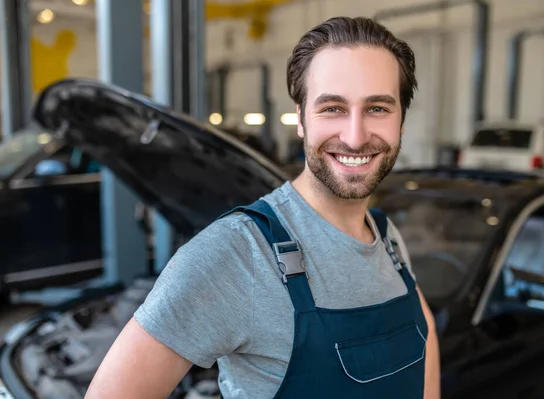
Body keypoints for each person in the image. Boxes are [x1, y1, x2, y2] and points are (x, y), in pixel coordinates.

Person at [85, 16, 440, 399]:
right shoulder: (235, 253)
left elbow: (427, 343)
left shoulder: (388, 239)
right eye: (332, 108)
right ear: (301, 119)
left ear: (401, 122)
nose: (355, 136)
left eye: (377, 109)